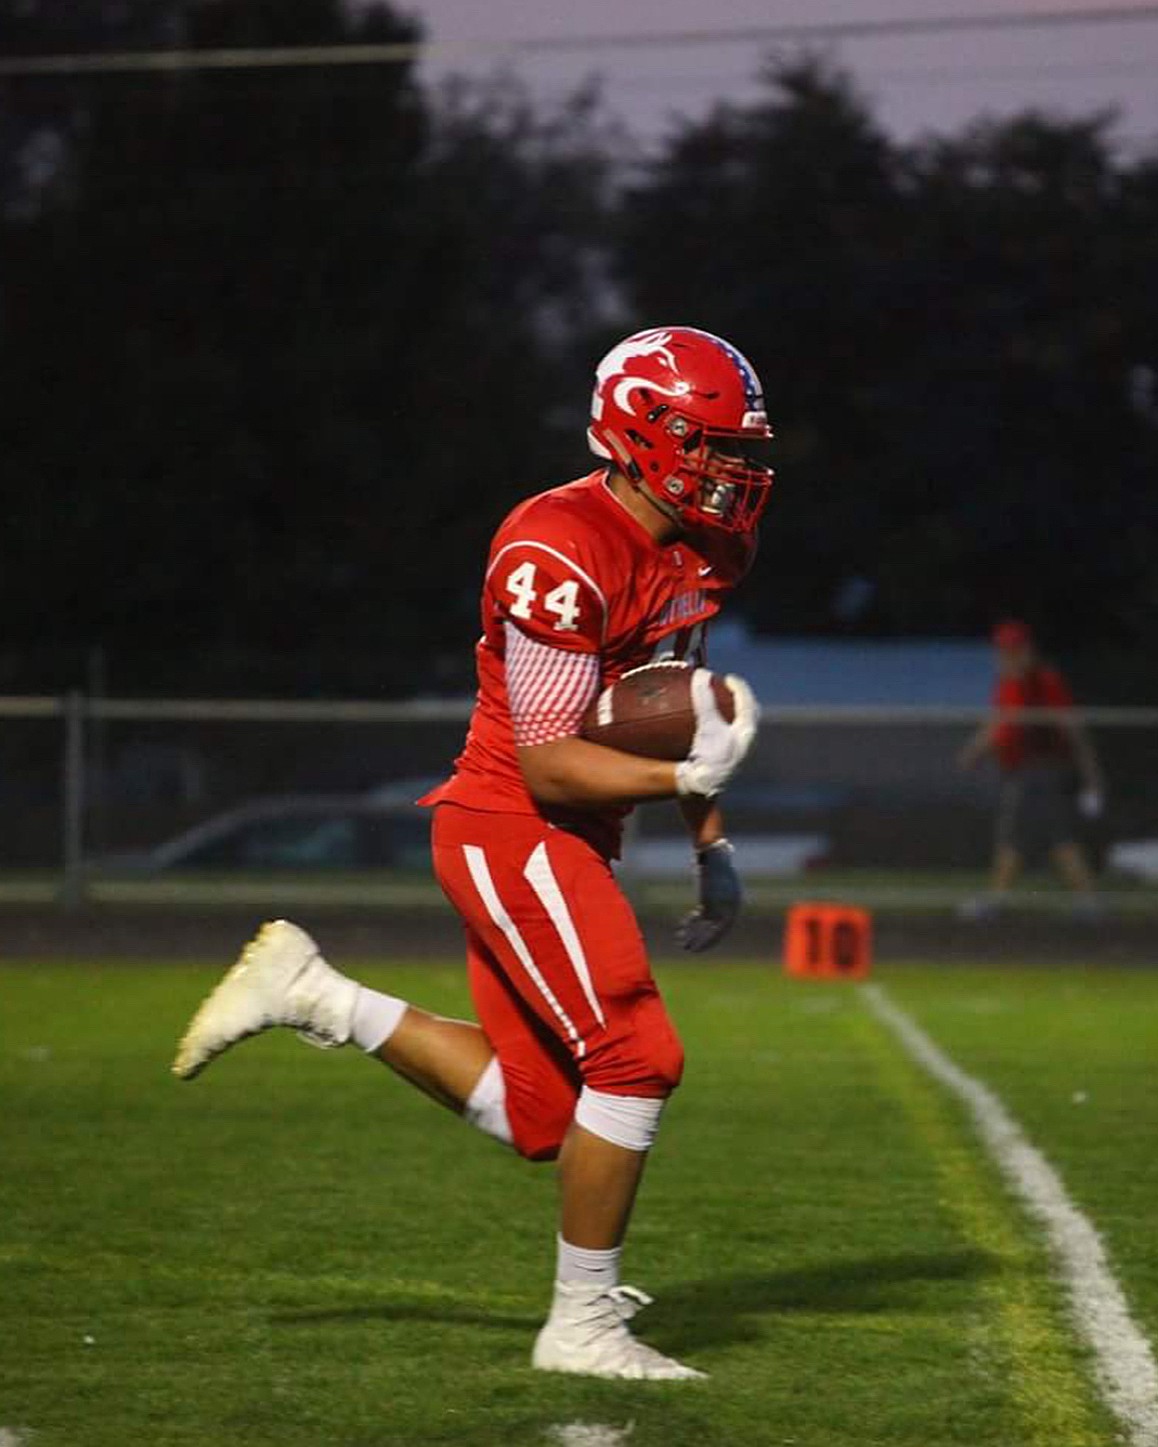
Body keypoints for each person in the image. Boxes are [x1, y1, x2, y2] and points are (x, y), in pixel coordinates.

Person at [172, 326, 773, 1381]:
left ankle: (313, 994)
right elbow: (549, 762)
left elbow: (672, 705)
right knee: (637, 1057)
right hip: (512, 825)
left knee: (546, 1114)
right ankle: (581, 1327)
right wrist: (687, 787)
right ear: (650, 434)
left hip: (573, 831)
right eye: (716, 446)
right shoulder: (555, 546)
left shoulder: (704, 542)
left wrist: (707, 838)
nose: (736, 472)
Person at [957, 619, 1104, 917]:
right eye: (1002, 651)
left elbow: (1068, 728)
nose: (1005, 657)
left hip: (1040, 769)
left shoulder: (1042, 682)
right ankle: (1084, 901)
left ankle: (1086, 901)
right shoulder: (1009, 683)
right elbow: (999, 723)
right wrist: (974, 749)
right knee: (1029, 838)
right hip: (1023, 772)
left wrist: (1092, 777)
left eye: (1012, 651)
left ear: (1027, 651)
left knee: (1043, 837)